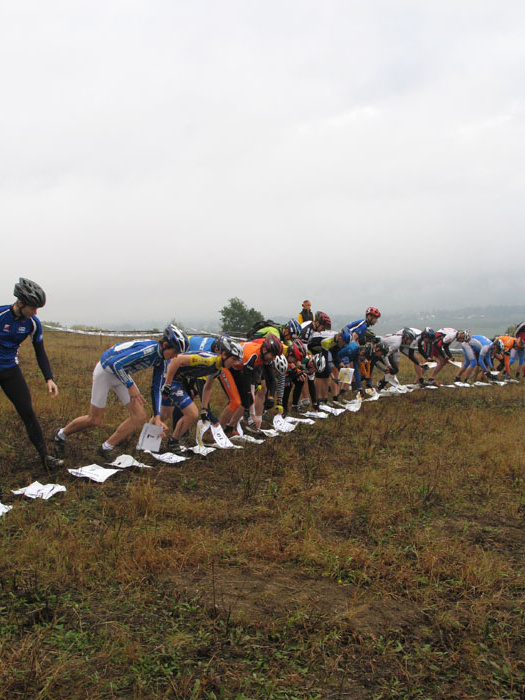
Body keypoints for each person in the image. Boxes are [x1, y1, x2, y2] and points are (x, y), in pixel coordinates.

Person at [53, 325, 188, 458]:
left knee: (139, 416)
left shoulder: (160, 360)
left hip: (121, 374)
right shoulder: (148, 350)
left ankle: (106, 447)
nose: (175, 357)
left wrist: (157, 416)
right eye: (175, 352)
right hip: (105, 371)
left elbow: (156, 387)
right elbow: (115, 363)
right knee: (93, 420)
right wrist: (130, 385)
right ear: (165, 345)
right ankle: (60, 434)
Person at [0, 278, 63, 471]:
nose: (35, 313)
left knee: (28, 412)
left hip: (10, 370)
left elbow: (40, 352)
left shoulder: (33, 323)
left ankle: (45, 457)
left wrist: (49, 378)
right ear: (21, 303)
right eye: (33, 308)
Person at [159, 336, 242, 451]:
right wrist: (167, 384)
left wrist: (204, 409)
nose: (235, 363)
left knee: (163, 414)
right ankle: (173, 442)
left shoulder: (217, 368)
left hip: (176, 378)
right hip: (170, 376)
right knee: (192, 413)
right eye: (234, 359)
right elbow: (176, 360)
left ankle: (148, 443)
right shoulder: (209, 359)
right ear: (223, 354)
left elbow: (208, 387)